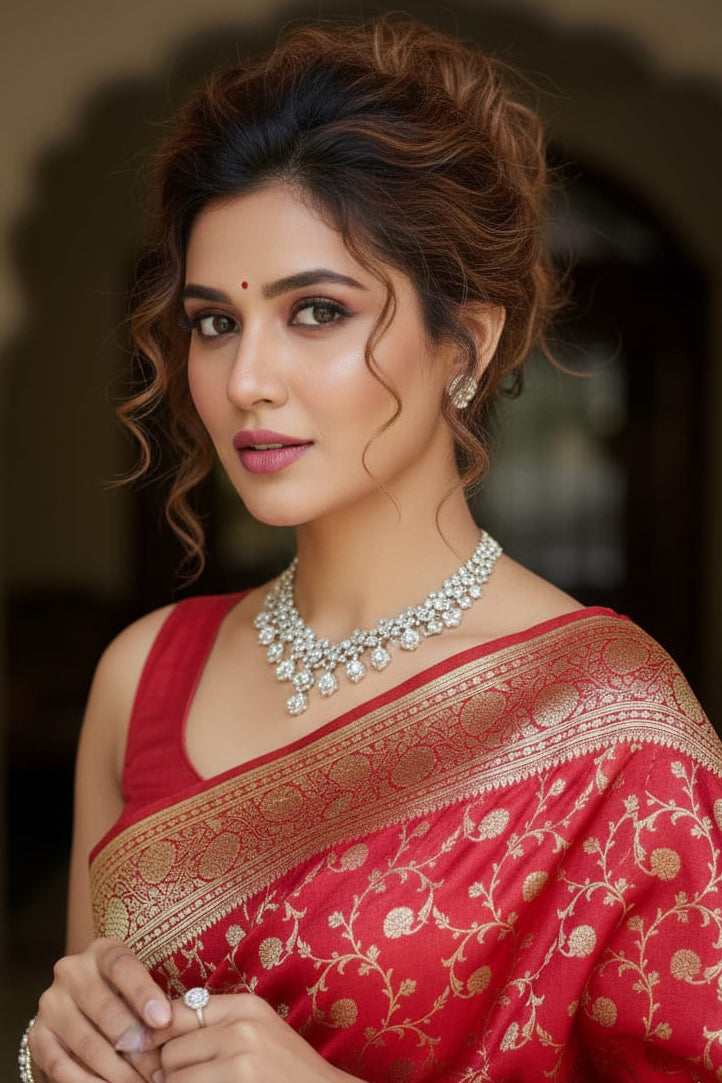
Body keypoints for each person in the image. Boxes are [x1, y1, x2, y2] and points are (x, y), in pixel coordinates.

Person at [21, 16, 722, 1083]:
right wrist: (48, 1052)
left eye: (314, 311)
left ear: (464, 345)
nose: (248, 378)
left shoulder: (611, 720)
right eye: (214, 322)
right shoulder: (144, 674)